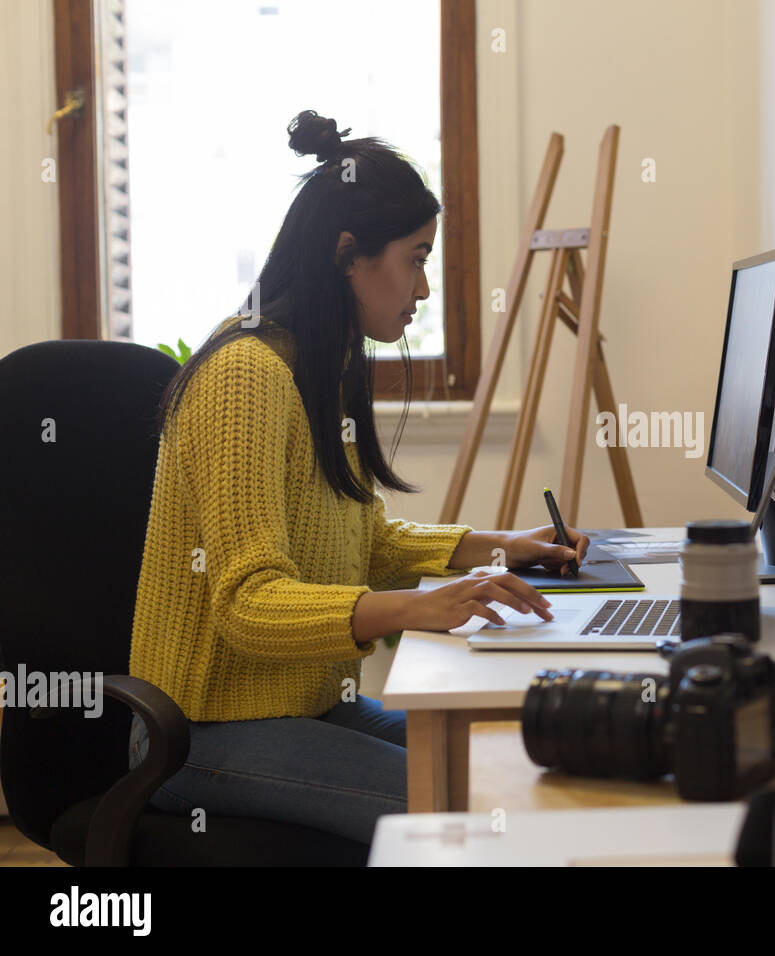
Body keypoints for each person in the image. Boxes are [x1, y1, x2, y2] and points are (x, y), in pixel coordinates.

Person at [127, 110, 590, 848]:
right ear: (349, 255)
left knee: (506, 765)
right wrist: (415, 609)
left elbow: (363, 540)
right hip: (201, 736)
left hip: (302, 710)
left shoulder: (319, 361)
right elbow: (247, 603)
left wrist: (501, 546)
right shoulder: (246, 374)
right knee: (471, 813)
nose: (426, 286)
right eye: (415, 258)